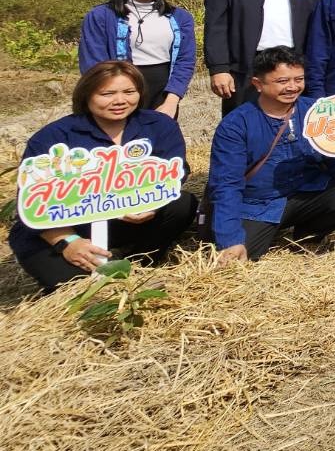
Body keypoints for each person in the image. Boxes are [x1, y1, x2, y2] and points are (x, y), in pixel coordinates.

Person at [9, 61, 199, 293]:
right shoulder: (54, 137)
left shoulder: (159, 125)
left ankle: (136, 258)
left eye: (129, 92)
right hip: (71, 229)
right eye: (107, 93)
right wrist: (67, 242)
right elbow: (32, 202)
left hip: (128, 224)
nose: (120, 101)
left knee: (182, 203)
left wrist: (152, 204)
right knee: (75, 286)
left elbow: (176, 172)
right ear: (86, 95)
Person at [208, 47, 335, 263]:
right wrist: (229, 239)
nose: (293, 87)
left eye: (299, 79)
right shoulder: (236, 125)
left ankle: (306, 237)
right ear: (258, 84)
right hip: (259, 204)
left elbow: (333, 155)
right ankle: (260, 232)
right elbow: (226, 184)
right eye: (283, 81)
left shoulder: (316, 111)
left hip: (307, 193)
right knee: (242, 256)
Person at [78, 0, 196, 116]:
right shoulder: (101, 16)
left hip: (162, 92)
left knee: (160, 138)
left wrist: (171, 101)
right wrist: (115, 98)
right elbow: (93, 64)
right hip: (116, 92)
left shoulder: (181, 17)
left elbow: (185, 61)